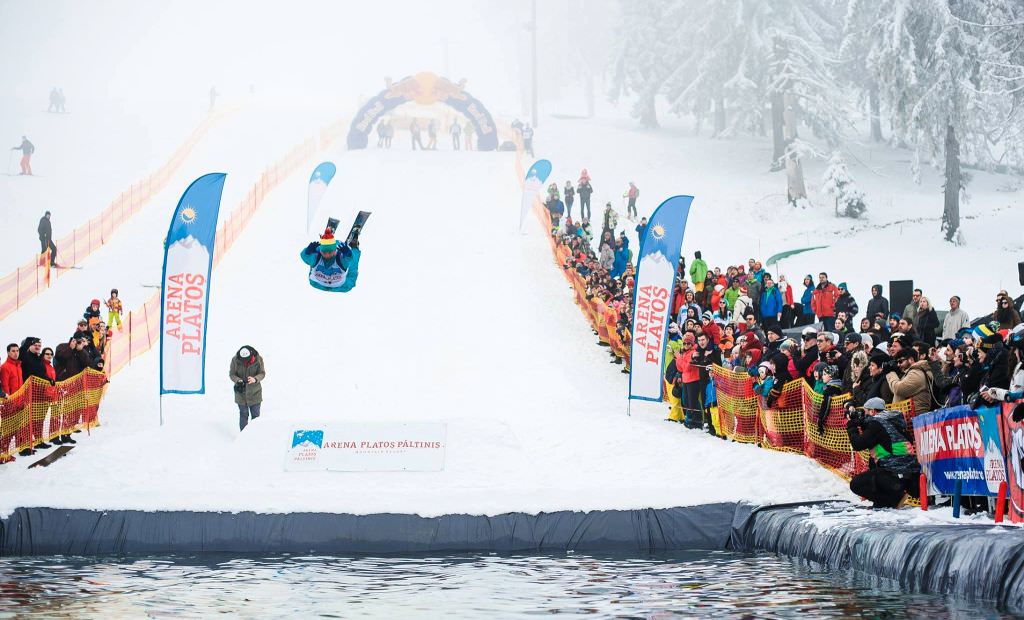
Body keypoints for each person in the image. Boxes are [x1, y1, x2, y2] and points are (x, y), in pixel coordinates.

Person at [846, 397, 921, 508]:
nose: (864, 415)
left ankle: (893, 499)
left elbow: (858, 444)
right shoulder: (895, 421)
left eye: (865, 412)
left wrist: (851, 426)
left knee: (856, 484)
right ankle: (887, 500)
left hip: (893, 475)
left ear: (872, 411)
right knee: (874, 466)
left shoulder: (876, 424)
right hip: (911, 476)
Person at [300, 227, 362, 293]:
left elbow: (350, 260)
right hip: (319, 283)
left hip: (337, 286)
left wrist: (349, 254)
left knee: (352, 265)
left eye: (330, 252)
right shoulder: (317, 256)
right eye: (324, 252)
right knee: (314, 258)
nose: (327, 255)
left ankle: (352, 247)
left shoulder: (341, 259)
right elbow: (305, 257)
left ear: (335, 250)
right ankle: (354, 245)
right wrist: (307, 251)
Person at [885, 348, 935, 414]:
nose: (898, 365)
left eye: (900, 361)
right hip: (909, 418)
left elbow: (898, 389)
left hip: (914, 419)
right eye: (897, 362)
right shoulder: (911, 372)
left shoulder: (917, 373)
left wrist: (891, 373)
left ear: (911, 360)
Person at [229, 345, 265, 431]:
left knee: (256, 416)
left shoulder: (258, 359)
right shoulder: (235, 360)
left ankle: (255, 435)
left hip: (255, 393)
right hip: (241, 393)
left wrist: (255, 379)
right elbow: (232, 374)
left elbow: (262, 373)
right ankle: (243, 436)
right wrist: (238, 380)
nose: (244, 362)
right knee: (243, 414)